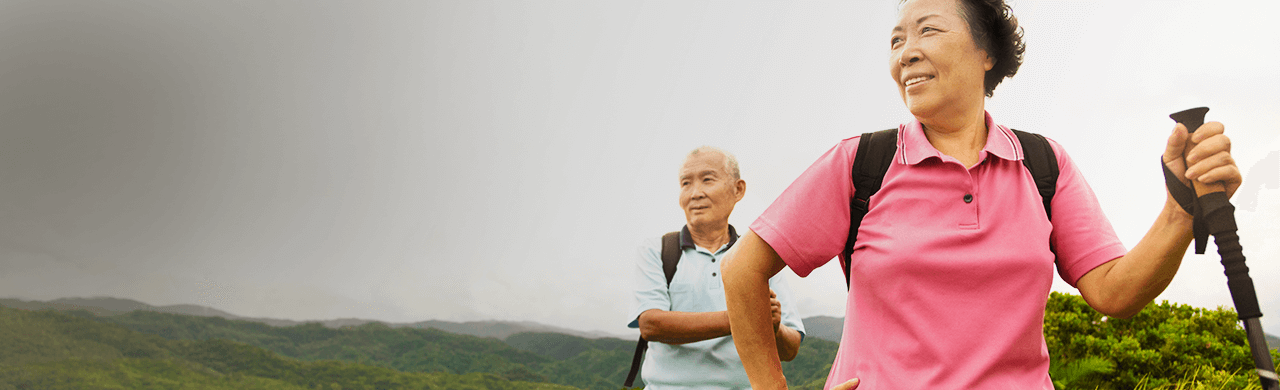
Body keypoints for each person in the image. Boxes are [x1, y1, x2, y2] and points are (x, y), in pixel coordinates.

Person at [719, 0, 1243, 389]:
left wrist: (1180, 210)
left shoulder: (1043, 164)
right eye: (897, 40)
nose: (907, 52)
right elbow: (743, 269)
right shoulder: (860, 163)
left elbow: (1115, 292)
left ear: (986, 52)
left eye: (928, 30)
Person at [629, 146, 807, 390]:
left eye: (707, 180)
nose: (695, 193)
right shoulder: (656, 250)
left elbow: (790, 348)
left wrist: (773, 327)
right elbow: (651, 324)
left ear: (738, 189)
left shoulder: (761, 255)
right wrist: (748, 317)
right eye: (685, 184)